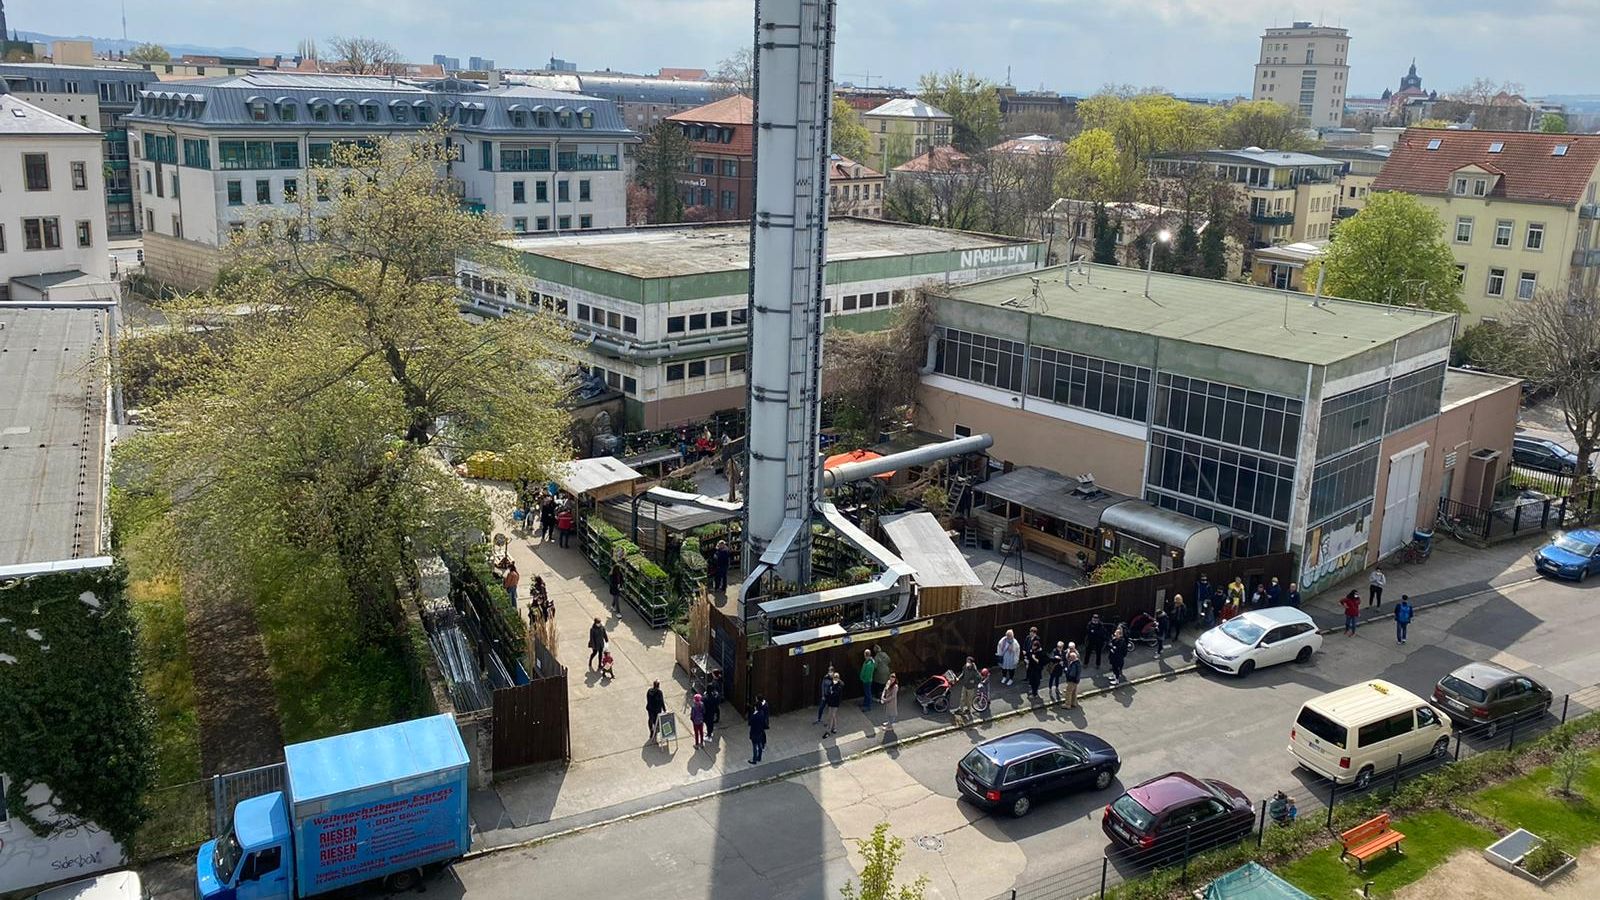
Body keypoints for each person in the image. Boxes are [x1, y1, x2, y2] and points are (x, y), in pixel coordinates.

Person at [748, 695, 770, 764]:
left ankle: (754, 760)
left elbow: (750, 723)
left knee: (754, 746)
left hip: (754, 732)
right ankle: (759, 757)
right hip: (760, 731)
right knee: (760, 744)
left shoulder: (754, 716)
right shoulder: (762, 713)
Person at [822, 673, 843, 737]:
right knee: (832, 715)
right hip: (830, 702)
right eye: (834, 677)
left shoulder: (839, 686)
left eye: (836, 677)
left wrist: (831, 693)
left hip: (835, 703)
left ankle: (828, 731)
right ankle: (834, 728)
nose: (835, 678)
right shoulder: (832, 684)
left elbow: (836, 694)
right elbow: (829, 691)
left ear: (838, 678)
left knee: (831, 716)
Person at [1062, 645, 1082, 709]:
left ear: (1072, 658)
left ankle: (1067, 704)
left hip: (1072, 680)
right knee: (1074, 692)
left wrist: (1066, 671)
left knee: (1068, 692)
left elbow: (1072, 674)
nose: (1069, 659)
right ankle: (1074, 703)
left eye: (1070, 657)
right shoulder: (1078, 663)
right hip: (1076, 680)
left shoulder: (1073, 665)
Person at [704, 673, 723, 738]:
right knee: (711, 721)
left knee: (708, 723)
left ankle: (709, 733)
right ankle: (711, 731)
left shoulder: (706, 698)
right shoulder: (715, 696)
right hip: (712, 710)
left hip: (708, 712)